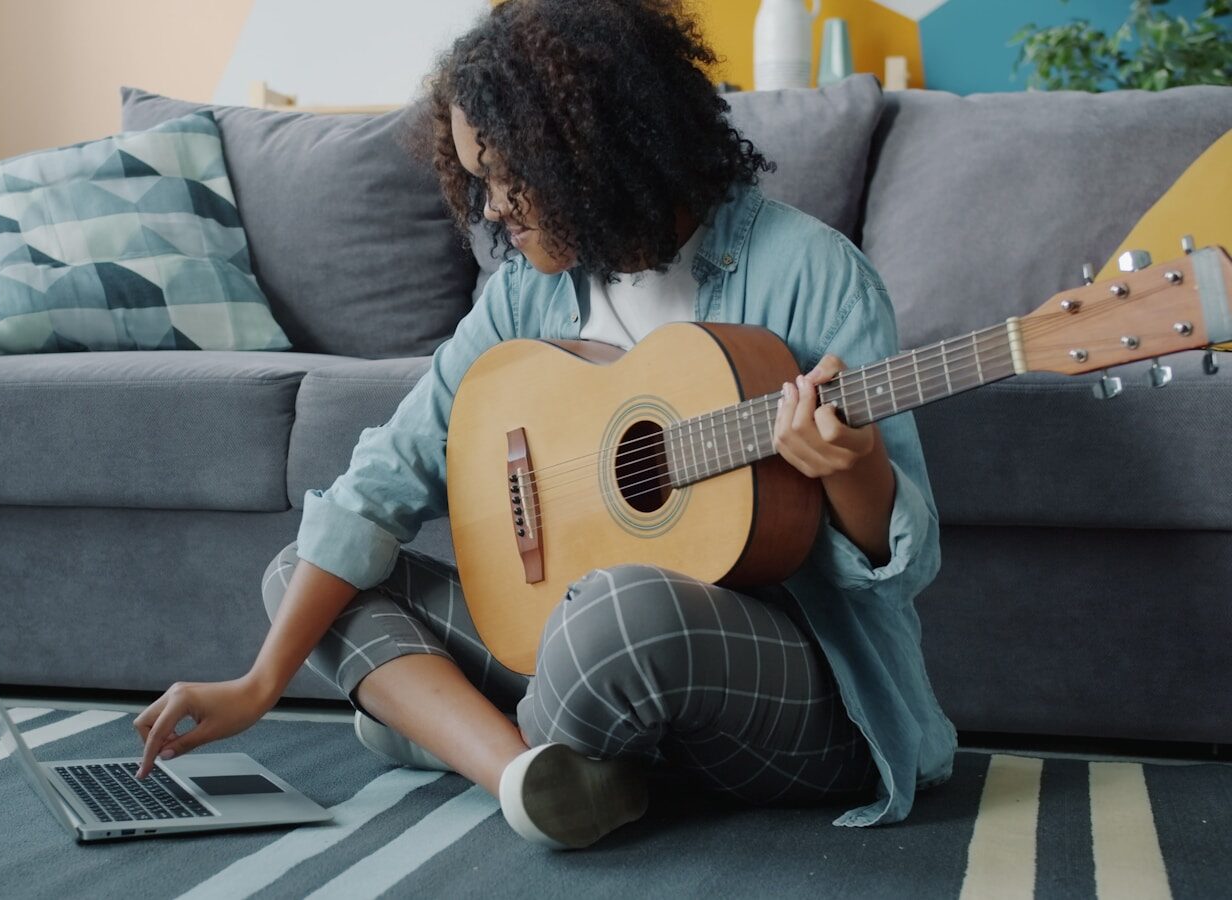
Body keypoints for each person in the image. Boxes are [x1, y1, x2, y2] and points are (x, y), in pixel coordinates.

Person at [134, 0, 955, 850]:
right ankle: (525, 776)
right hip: (586, 670)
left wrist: (849, 467)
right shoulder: (527, 296)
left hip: (787, 695)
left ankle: (445, 726)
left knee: (619, 608)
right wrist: (259, 681)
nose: (489, 210)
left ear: (592, 147)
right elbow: (378, 484)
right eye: (474, 180)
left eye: (505, 174)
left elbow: (908, 567)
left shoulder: (814, 275)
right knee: (301, 573)